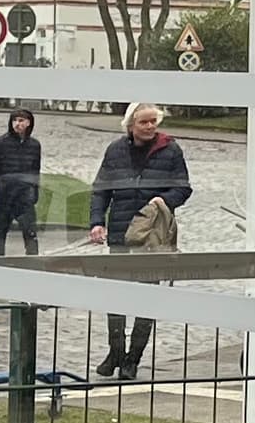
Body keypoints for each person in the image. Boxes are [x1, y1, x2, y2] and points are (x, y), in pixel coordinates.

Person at [81, 101, 192, 378]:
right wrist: (96, 221)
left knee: (146, 297)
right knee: (115, 296)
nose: (150, 126)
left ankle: (133, 358)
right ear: (131, 124)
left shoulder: (171, 150)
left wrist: (163, 200)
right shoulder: (115, 150)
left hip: (152, 234)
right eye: (144, 122)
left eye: (154, 121)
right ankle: (115, 352)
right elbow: (101, 190)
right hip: (119, 232)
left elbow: (183, 188)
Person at [0, 108, 44, 256]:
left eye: (21, 120)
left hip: (25, 197)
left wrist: (34, 193)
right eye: (14, 120)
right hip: (4, 196)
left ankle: (33, 264)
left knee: (30, 233)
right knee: (0, 233)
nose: (17, 124)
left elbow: (35, 171)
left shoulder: (34, 145)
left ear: (29, 123)